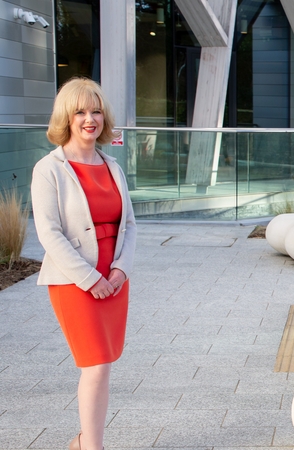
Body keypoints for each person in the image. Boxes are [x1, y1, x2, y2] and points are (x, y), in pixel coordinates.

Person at [31, 77, 137, 450]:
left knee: (104, 364)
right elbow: (49, 233)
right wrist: (91, 279)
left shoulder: (113, 166)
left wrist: (121, 268)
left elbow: (129, 225)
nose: (89, 119)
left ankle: (83, 442)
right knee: (94, 364)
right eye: (80, 112)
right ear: (66, 117)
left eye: (96, 111)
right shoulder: (49, 169)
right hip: (74, 281)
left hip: (115, 278)